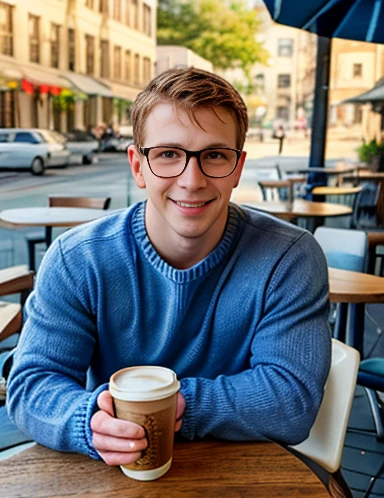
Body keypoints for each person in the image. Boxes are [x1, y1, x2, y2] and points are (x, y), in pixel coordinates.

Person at [6, 68, 331, 467]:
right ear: (137, 166)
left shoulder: (290, 258)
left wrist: (171, 406)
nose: (191, 180)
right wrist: (88, 421)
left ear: (238, 167)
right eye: (168, 154)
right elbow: (33, 385)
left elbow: (292, 401)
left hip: (243, 476)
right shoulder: (78, 258)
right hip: (112, 475)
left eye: (214, 155)